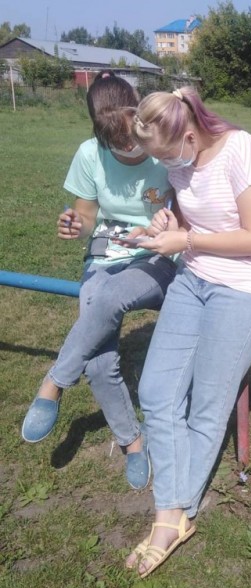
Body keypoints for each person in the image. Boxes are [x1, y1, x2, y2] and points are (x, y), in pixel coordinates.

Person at [123, 88, 251, 578]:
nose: (166, 164)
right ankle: (175, 510)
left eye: (167, 155)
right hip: (194, 279)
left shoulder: (241, 150)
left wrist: (186, 238)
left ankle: (171, 517)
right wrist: (168, 222)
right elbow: (195, 216)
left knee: (206, 408)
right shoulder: (181, 160)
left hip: (246, 289)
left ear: (190, 136)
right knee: (156, 392)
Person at [21, 70, 177, 491]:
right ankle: (133, 443)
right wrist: (77, 224)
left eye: (132, 138)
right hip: (106, 256)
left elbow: (190, 209)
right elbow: (87, 216)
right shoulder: (89, 154)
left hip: (157, 255)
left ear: (139, 113)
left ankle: (54, 382)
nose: (128, 148)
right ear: (98, 132)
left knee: (107, 300)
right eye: (115, 142)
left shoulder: (164, 146)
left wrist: (167, 227)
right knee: (98, 361)